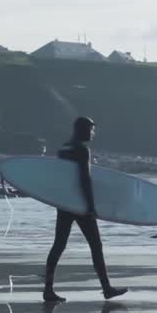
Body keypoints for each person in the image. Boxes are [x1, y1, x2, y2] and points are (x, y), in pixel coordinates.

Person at [43, 117, 127, 302]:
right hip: (79, 204)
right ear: (83, 129)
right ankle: (106, 288)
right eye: (91, 129)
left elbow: (61, 176)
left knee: (59, 245)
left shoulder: (64, 148)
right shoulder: (82, 149)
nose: (93, 133)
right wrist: (90, 206)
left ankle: (48, 289)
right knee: (96, 246)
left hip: (64, 203)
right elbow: (84, 178)